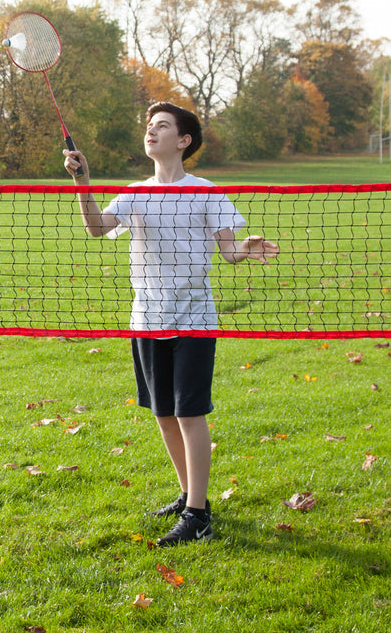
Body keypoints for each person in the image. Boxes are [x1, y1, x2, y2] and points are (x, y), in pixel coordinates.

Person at [65, 102, 278, 547]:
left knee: (189, 412)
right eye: (149, 126)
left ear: (183, 141)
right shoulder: (135, 192)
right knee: (163, 413)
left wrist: (247, 248)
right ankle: (188, 497)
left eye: (162, 126)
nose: (152, 131)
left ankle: (199, 515)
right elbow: (96, 227)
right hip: (146, 317)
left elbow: (228, 251)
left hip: (194, 318)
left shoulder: (206, 192)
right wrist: (82, 181)